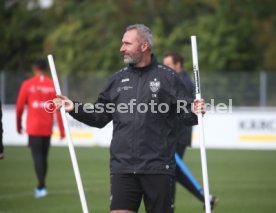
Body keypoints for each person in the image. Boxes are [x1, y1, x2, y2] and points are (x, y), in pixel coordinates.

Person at [53, 24, 205, 213]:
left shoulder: (168, 77)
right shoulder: (116, 79)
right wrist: (74, 107)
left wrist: (194, 109)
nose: (121, 48)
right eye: (122, 43)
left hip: (158, 167)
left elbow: (186, 116)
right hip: (123, 168)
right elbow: (100, 116)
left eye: (127, 43)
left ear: (144, 46)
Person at [163, 52, 217, 212]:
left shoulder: (181, 82)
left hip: (178, 133)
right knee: (173, 171)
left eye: (169, 65)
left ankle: (173, 205)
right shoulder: (178, 80)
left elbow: (183, 109)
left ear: (178, 65)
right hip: (178, 133)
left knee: (171, 170)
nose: (165, 68)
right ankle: (204, 198)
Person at [16, 59, 65, 198]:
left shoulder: (27, 84)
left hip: (33, 127)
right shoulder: (52, 85)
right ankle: (41, 185)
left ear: (34, 68)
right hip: (46, 127)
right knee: (43, 157)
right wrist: (62, 130)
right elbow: (58, 108)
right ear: (46, 69)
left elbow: (19, 107)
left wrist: (18, 125)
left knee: (38, 157)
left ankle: (41, 186)